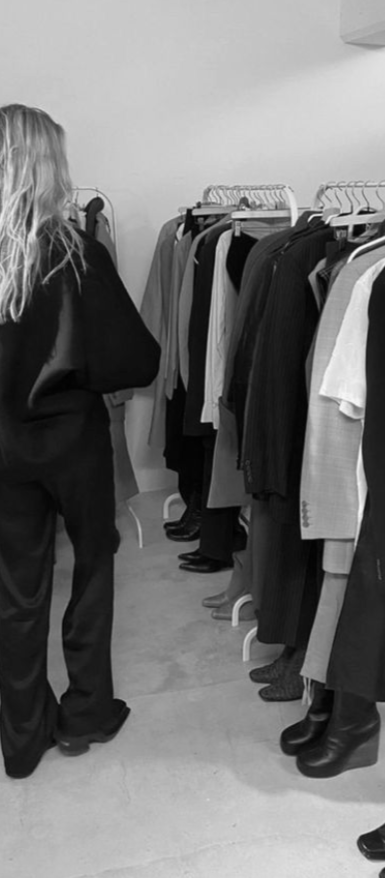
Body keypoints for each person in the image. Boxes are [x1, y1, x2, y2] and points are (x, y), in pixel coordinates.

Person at [0, 104, 160, 779]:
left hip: (2, 450)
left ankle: (22, 738)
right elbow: (137, 362)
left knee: (16, 588)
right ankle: (87, 712)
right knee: (93, 568)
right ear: (47, 166)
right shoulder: (74, 253)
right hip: (71, 441)